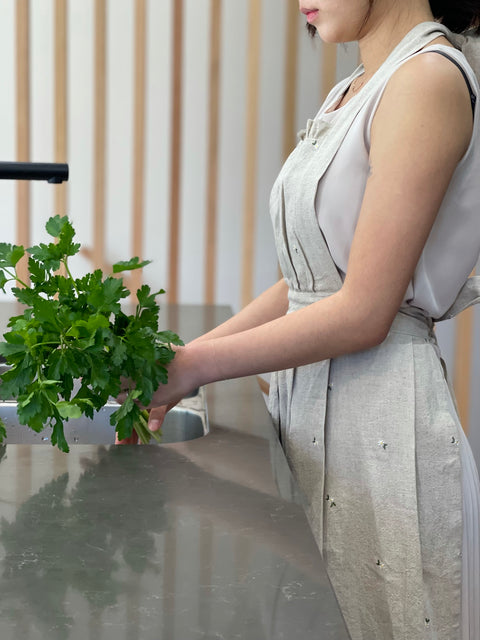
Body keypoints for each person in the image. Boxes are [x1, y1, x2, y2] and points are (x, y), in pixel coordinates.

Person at [118, 1, 480, 638]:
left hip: (383, 438)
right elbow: (308, 284)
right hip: (321, 427)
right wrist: (175, 363)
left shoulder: (428, 80)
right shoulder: (355, 89)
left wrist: (190, 366)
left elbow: (364, 309)